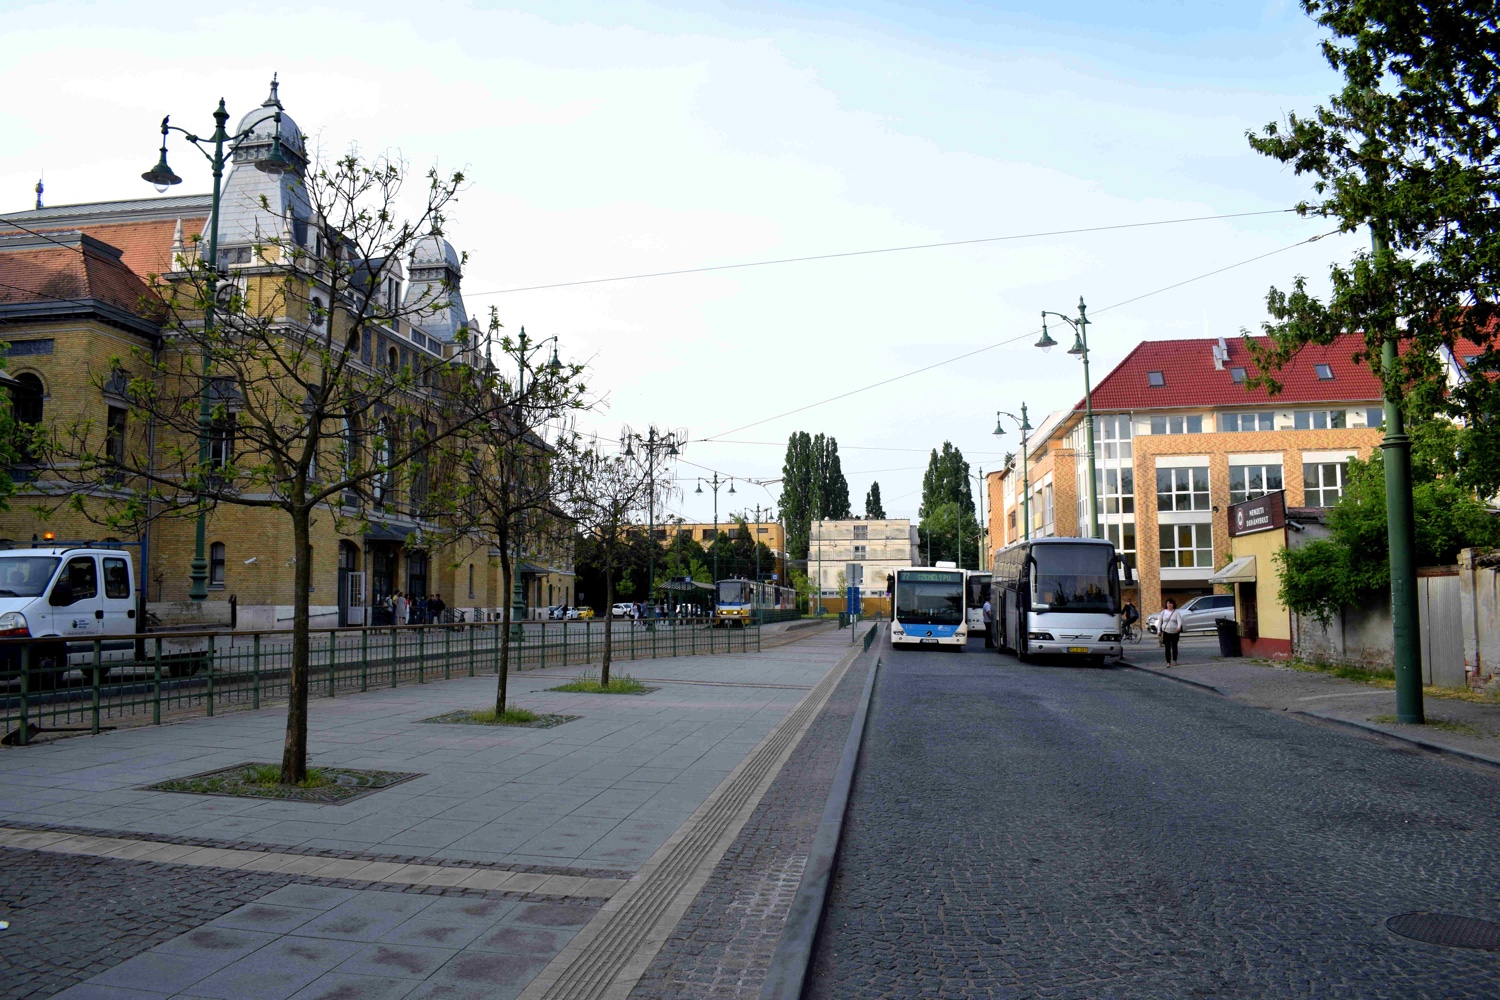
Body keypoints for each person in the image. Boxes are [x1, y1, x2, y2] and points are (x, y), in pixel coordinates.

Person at [1158, 598, 1182, 665]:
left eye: (1171, 603)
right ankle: (1168, 662)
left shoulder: (1176, 612)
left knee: (1174, 647)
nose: (1169, 605)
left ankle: (1175, 660)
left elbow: (1179, 621)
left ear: (1173, 604)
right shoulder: (1163, 612)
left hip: (1175, 631)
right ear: (1166, 604)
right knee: (1167, 647)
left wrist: (1178, 627)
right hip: (1166, 631)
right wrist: (1158, 630)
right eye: (1168, 603)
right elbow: (1159, 622)